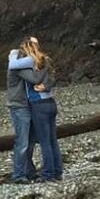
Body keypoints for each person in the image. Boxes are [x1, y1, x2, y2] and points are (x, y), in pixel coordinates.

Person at [21, 36, 62, 182]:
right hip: (50, 101)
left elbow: (29, 80)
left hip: (38, 104)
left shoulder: (28, 64)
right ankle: (57, 171)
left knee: (44, 141)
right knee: (52, 140)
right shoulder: (46, 60)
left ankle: (48, 174)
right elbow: (52, 79)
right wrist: (46, 86)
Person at [7, 43, 39, 183]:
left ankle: (29, 170)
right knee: (23, 142)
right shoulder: (17, 66)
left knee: (30, 141)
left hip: (28, 105)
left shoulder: (19, 62)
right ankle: (19, 174)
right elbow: (35, 78)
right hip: (19, 107)